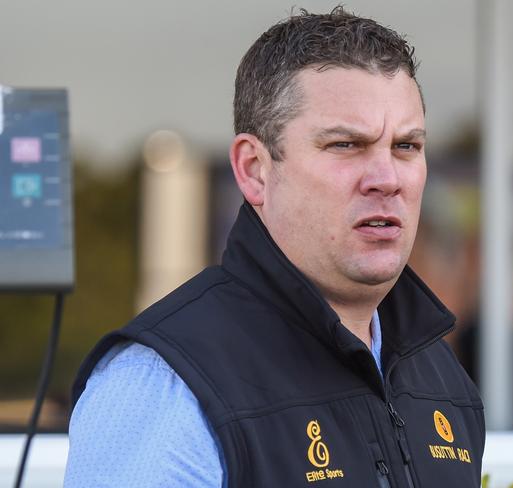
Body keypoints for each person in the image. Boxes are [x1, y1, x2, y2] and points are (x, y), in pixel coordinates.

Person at [64, 8, 485, 487]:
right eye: (346, 145)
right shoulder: (164, 383)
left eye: (406, 146)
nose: (387, 179)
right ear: (254, 169)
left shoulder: (439, 376)